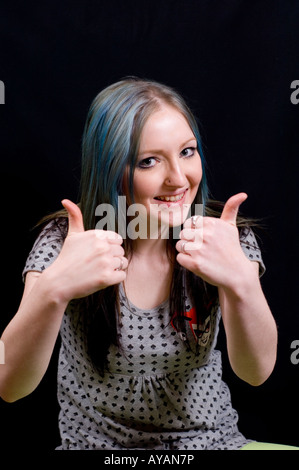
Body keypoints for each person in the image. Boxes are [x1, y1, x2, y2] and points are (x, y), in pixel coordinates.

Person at [0, 78, 296, 450]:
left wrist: (242, 282)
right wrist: (52, 290)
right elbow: (9, 385)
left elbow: (256, 373)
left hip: (212, 444)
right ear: (111, 169)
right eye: (149, 161)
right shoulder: (64, 243)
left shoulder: (223, 238)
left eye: (187, 152)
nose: (178, 179)